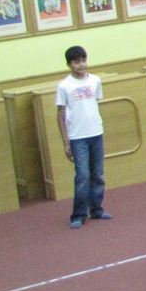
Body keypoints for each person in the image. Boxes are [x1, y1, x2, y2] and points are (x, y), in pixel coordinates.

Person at [55, 45, 111, 229]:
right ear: (69, 64)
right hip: (77, 137)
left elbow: (94, 104)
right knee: (83, 175)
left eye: (83, 60)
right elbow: (61, 115)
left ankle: (97, 209)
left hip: (96, 133)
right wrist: (66, 142)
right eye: (76, 61)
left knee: (97, 174)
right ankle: (78, 214)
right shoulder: (65, 86)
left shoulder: (95, 80)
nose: (81, 64)